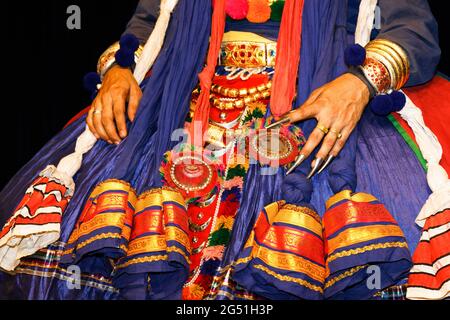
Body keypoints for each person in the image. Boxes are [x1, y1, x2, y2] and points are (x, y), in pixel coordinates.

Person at [0, 0, 446, 300]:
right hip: (181, 99)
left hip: (318, 100)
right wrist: (119, 71)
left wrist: (359, 82)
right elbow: (152, 23)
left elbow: (415, 31)